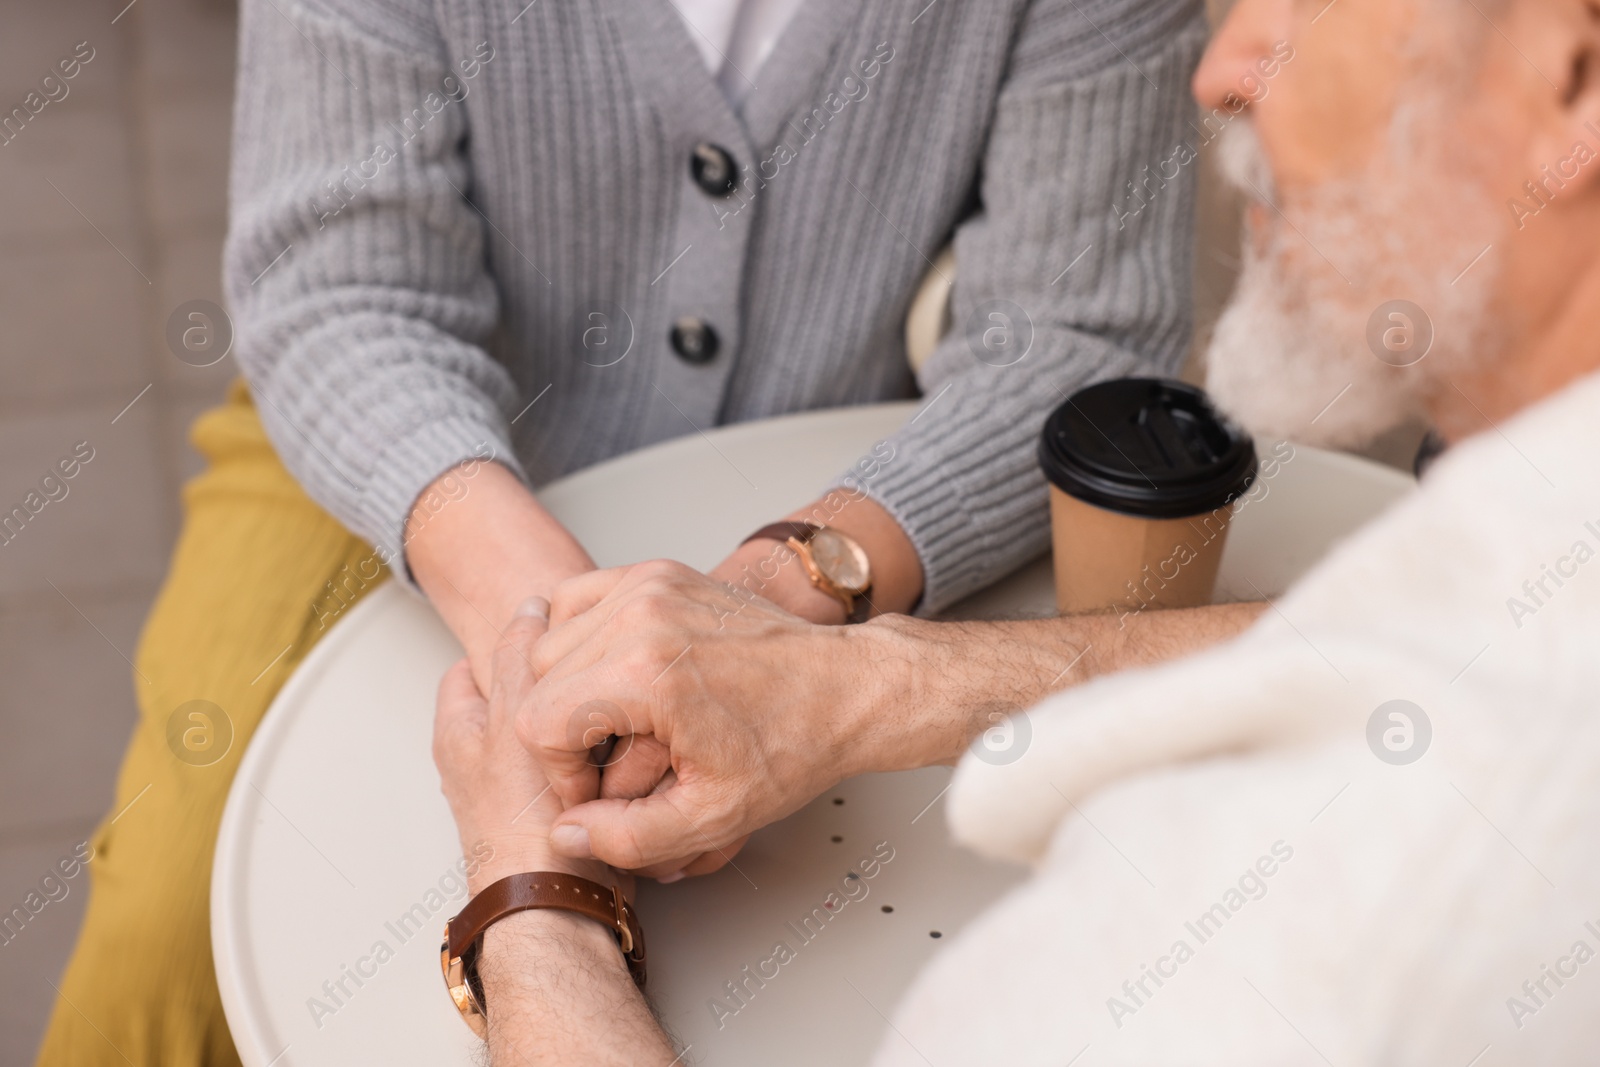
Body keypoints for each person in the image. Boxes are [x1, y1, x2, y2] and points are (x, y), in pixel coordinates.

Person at [37, 1, 1213, 1063]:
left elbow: (1078, 327)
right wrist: (570, 653)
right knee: (166, 933)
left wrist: (773, 593)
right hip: (391, 445)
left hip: (833, 476)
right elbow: (339, 288)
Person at [432, 0, 1600, 1060]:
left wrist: (532, 901)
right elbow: (1480, 629)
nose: (1222, 69)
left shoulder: (1306, 925)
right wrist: (870, 682)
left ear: (1577, 72)